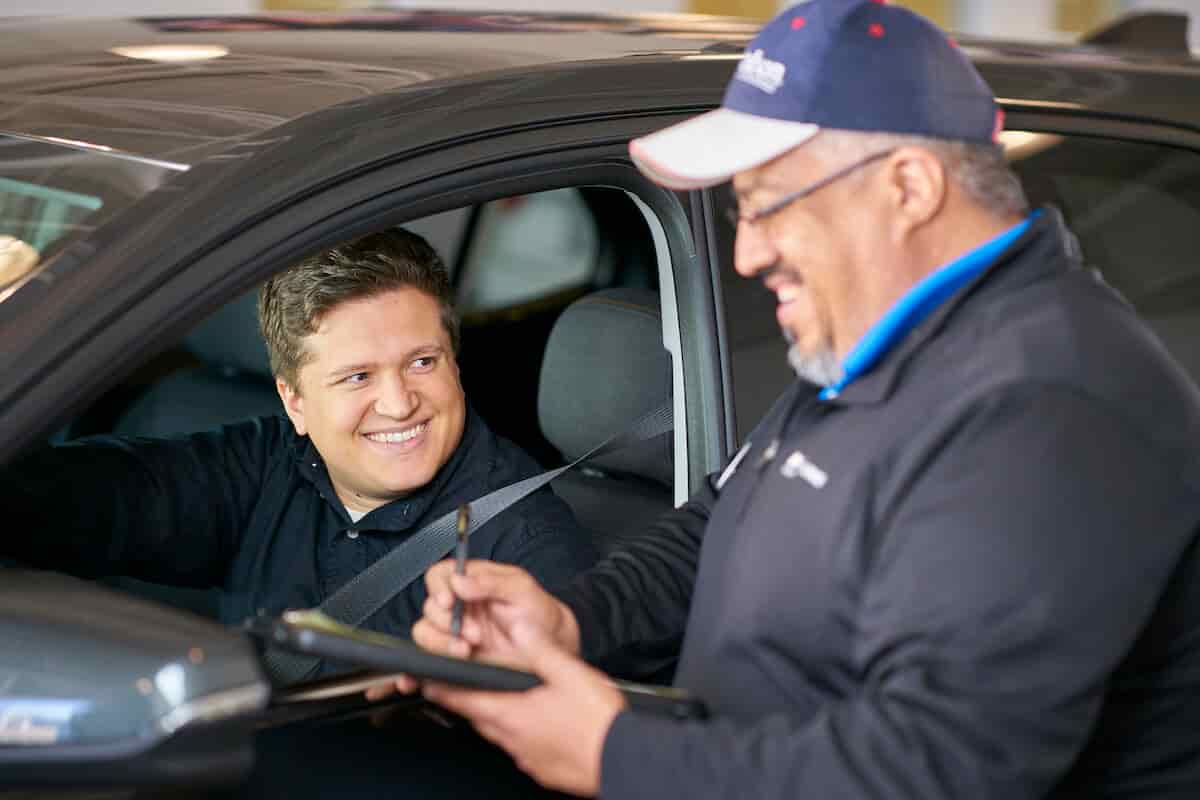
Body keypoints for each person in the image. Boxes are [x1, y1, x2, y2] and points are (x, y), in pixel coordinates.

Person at [381, 1, 1200, 797]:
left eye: (769, 204)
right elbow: (721, 525)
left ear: (909, 187)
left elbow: (932, 768)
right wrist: (573, 623)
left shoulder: (1049, 407)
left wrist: (618, 757)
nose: (745, 253)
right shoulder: (879, 342)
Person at [2, 228, 593, 680]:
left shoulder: (522, 545)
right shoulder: (270, 464)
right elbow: (94, 499)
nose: (399, 403)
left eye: (422, 362)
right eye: (358, 377)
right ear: (295, 401)